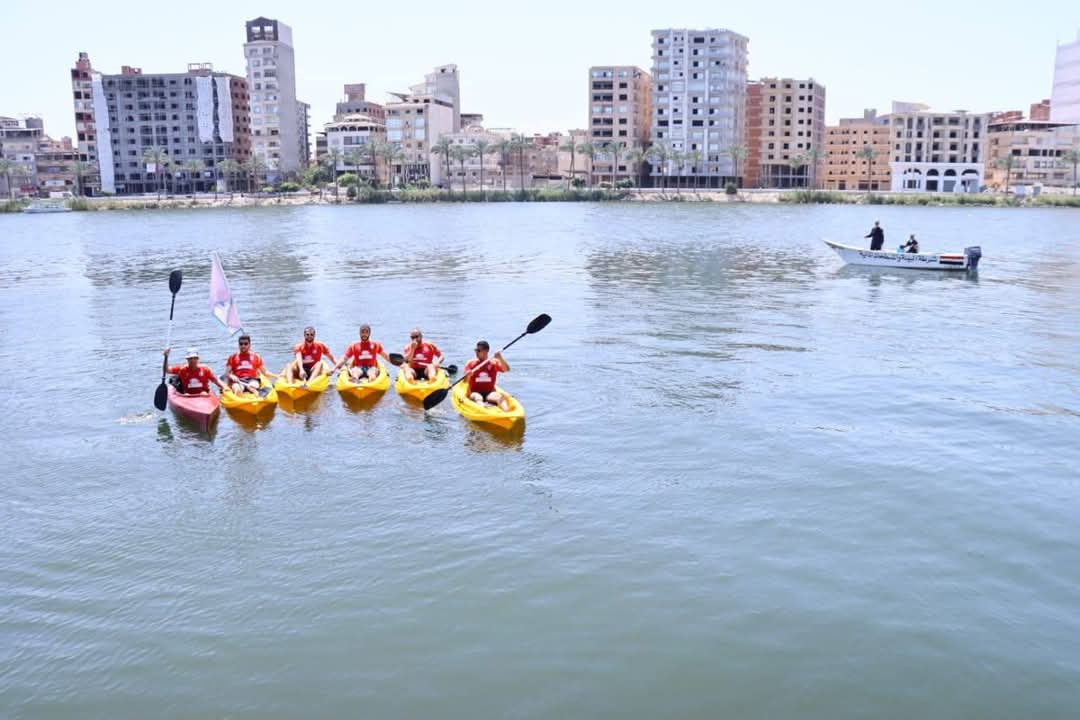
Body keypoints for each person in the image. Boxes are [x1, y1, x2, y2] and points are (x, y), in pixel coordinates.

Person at [464, 340, 510, 411]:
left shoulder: (494, 362)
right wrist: (468, 375)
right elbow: (465, 381)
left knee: (499, 397)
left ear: (486, 351)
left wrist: (500, 358)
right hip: (474, 392)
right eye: (476, 350)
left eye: (478, 350)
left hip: (490, 392)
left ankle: (508, 414)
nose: (476, 352)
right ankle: (485, 411)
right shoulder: (470, 363)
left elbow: (507, 369)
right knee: (478, 397)